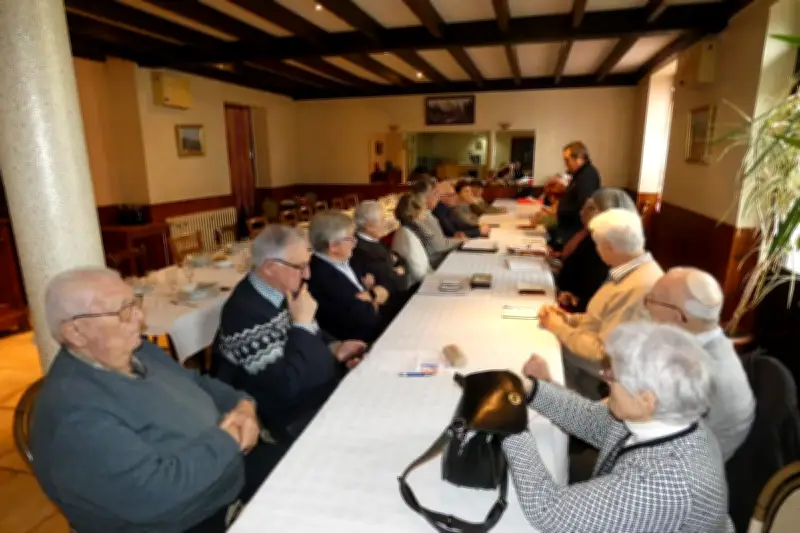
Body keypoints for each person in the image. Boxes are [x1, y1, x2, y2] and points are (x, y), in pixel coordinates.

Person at [30, 267, 282, 533]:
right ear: (75, 332)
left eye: (135, 303)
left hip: (227, 470)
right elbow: (157, 494)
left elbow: (198, 383)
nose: (139, 317)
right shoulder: (76, 414)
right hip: (194, 517)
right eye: (123, 311)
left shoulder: (139, 352)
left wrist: (242, 405)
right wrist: (228, 439)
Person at [504, 323, 734, 532]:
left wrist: (510, 425)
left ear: (647, 399)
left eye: (614, 376)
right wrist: (529, 389)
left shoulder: (663, 483)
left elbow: (550, 512)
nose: (606, 379)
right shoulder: (666, 417)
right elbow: (590, 420)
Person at [213, 225, 365, 442]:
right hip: (292, 418)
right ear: (270, 267)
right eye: (300, 267)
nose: (308, 274)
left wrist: (335, 348)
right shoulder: (244, 314)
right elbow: (283, 387)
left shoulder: (281, 290)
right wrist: (301, 324)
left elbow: (311, 337)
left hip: (321, 392)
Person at [539, 208, 663, 398]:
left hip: (606, 375)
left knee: (541, 351)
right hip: (593, 352)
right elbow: (601, 319)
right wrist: (569, 319)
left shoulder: (638, 286)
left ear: (610, 247)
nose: (596, 250)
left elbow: (602, 354)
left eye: (597, 244)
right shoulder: (628, 270)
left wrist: (559, 328)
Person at [645, 267, 755, 460]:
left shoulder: (705, 374)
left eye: (652, 300)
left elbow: (655, 446)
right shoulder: (704, 345)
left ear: (677, 316)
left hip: (673, 475)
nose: (646, 306)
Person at [308, 211, 387, 342]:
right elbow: (366, 317)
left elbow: (385, 279)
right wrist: (374, 294)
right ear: (333, 246)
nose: (355, 243)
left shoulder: (351, 259)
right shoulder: (320, 276)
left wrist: (370, 297)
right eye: (350, 238)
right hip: (360, 345)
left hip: (378, 329)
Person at [556, 188, 637, 312]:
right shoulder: (591, 236)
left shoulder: (607, 245)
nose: (581, 212)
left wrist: (574, 301)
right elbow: (567, 259)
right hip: (568, 298)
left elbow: (595, 293)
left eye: (590, 208)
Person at [351, 200, 411, 315]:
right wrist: (399, 271)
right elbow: (393, 283)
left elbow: (401, 260)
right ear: (368, 226)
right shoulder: (362, 250)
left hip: (397, 298)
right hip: (390, 308)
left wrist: (399, 269)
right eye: (382, 220)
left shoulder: (374, 240)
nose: (386, 223)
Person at [550, 141, 602, 249]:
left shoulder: (587, 176)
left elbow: (586, 207)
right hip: (566, 229)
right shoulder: (579, 174)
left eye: (567, 160)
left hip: (573, 233)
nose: (565, 164)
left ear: (579, 158)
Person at [409, 178, 464, 266]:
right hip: (437, 263)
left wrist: (455, 239)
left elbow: (439, 241)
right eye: (435, 194)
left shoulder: (423, 214)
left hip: (440, 258)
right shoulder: (422, 217)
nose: (437, 198)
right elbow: (439, 246)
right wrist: (460, 240)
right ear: (424, 197)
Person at [392, 193, 434, 283]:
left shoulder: (411, 228)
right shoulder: (408, 233)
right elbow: (419, 271)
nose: (427, 212)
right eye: (424, 208)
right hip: (416, 284)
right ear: (415, 211)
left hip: (422, 277)